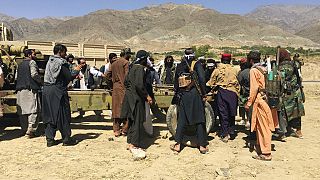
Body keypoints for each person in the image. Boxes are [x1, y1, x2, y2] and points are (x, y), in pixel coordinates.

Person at [171, 48, 209, 154]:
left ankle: (178, 144)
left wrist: (178, 92)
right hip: (194, 94)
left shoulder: (180, 65)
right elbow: (201, 79)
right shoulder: (196, 64)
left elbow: (176, 82)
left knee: (182, 119)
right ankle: (202, 145)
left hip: (183, 95)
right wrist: (204, 93)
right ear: (193, 55)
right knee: (199, 119)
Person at [42, 44, 81, 147]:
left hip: (47, 90)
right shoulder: (61, 62)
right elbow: (69, 76)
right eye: (64, 52)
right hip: (58, 91)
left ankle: (50, 139)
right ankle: (66, 139)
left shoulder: (49, 61)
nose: (66, 54)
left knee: (49, 114)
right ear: (60, 52)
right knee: (63, 114)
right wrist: (77, 69)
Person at [121, 50, 153, 156]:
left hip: (129, 98)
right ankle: (134, 144)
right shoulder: (139, 69)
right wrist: (147, 96)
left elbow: (126, 82)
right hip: (136, 99)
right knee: (137, 121)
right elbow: (140, 85)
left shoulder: (132, 67)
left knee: (131, 120)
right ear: (144, 59)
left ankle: (130, 142)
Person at [245, 50, 275, 161]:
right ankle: (260, 147)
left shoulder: (254, 71)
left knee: (263, 127)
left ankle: (266, 153)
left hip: (260, 101)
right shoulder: (265, 69)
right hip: (266, 100)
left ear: (251, 60)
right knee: (260, 126)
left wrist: (249, 103)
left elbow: (254, 89)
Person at [207, 54, 240, 143]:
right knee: (232, 112)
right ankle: (231, 130)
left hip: (222, 92)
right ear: (230, 60)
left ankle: (225, 134)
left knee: (223, 113)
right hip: (233, 93)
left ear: (221, 60)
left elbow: (211, 82)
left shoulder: (217, 70)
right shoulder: (235, 69)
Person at [16, 49, 43, 138]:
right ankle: (31, 131)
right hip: (30, 89)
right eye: (34, 54)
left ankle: (24, 129)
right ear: (30, 55)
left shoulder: (19, 64)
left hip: (20, 90)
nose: (35, 56)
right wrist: (41, 81)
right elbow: (34, 74)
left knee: (23, 111)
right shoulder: (32, 63)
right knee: (33, 110)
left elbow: (16, 77)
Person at [278, 49, 305, 138]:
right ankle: (298, 131)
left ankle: (286, 130)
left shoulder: (282, 66)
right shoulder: (294, 64)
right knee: (297, 112)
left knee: (285, 111)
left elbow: (281, 78)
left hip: (287, 93)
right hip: (296, 92)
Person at [107, 49, 132, 137]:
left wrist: (111, 85)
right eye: (129, 54)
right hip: (123, 88)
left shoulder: (113, 63)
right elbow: (127, 77)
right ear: (126, 54)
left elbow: (107, 75)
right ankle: (125, 129)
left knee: (116, 108)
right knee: (126, 109)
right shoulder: (126, 63)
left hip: (115, 88)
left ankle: (116, 130)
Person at [237, 57, 252, 129]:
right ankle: (248, 120)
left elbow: (239, 82)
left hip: (245, 93)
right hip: (252, 93)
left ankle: (244, 119)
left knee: (243, 106)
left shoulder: (242, 73)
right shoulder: (253, 70)